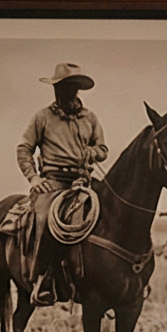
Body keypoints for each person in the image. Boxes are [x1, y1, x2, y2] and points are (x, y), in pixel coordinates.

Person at [16, 62, 107, 307]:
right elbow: (24, 148)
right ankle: (42, 280)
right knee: (45, 217)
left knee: (108, 212)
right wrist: (35, 179)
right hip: (53, 182)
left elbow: (103, 149)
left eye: (68, 87)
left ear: (77, 89)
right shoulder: (43, 117)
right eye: (59, 87)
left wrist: (92, 153)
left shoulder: (90, 118)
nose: (63, 92)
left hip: (83, 180)